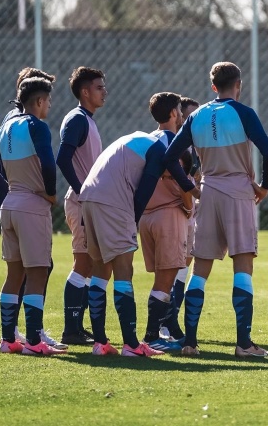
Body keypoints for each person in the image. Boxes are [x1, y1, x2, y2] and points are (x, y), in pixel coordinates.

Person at [165, 62, 268, 358]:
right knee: (243, 266)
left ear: (213, 86)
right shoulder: (244, 113)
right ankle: (244, 344)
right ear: (238, 84)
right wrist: (264, 187)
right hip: (238, 191)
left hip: (209, 193)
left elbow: (170, 156)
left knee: (200, 269)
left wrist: (190, 187)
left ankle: (190, 342)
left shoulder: (197, 115)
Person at [79, 103, 196, 357]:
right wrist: (131, 222)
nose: (165, 178)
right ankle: (132, 345)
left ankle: (100, 343)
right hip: (113, 201)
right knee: (124, 270)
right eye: (168, 176)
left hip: (88, 195)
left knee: (100, 270)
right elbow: (144, 192)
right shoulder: (159, 151)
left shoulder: (138, 140)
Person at [0, 77, 66, 355]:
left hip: (9, 205)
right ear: (39, 101)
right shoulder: (36, 126)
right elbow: (48, 164)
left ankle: (8, 340)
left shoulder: (4, 127)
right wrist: (50, 193)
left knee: (14, 275)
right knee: (37, 273)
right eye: (48, 101)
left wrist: (9, 188)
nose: (49, 106)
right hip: (31, 207)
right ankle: (34, 342)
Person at [138, 93, 196, 352]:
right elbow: (183, 184)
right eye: (180, 111)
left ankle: (169, 330)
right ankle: (153, 335)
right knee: (165, 279)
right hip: (168, 215)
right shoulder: (174, 143)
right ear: (173, 113)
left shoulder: (148, 140)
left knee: (163, 278)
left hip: (146, 216)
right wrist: (189, 207)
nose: (182, 115)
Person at [56, 67, 107, 346]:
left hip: (88, 202)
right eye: (99, 87)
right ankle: (70, 330)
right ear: (84, 92)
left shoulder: (87, 120)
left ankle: (77, 327)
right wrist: (81, 191)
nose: (104, 91)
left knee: (89, 265)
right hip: (81, 202)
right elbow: (62, 159)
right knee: (83, 263)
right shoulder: (77, 119)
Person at [160, 96, 201, 342]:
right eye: (189, 116)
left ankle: (172, 322)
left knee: (183, 268)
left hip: (190, 211)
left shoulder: (196, 145)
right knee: (172, 268)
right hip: (175, 211)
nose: (194, 121)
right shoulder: (173, 144)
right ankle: (165, 324)